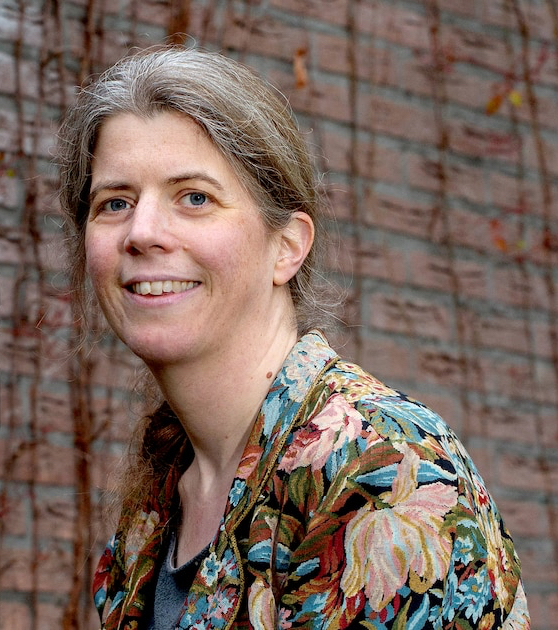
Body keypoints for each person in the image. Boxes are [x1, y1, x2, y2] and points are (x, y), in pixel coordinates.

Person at [57, 47, 529, 628]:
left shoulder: (380, 472)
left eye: (195, 197)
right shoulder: (161, 497)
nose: (142, 231)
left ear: (287, 246)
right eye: (115, 202)